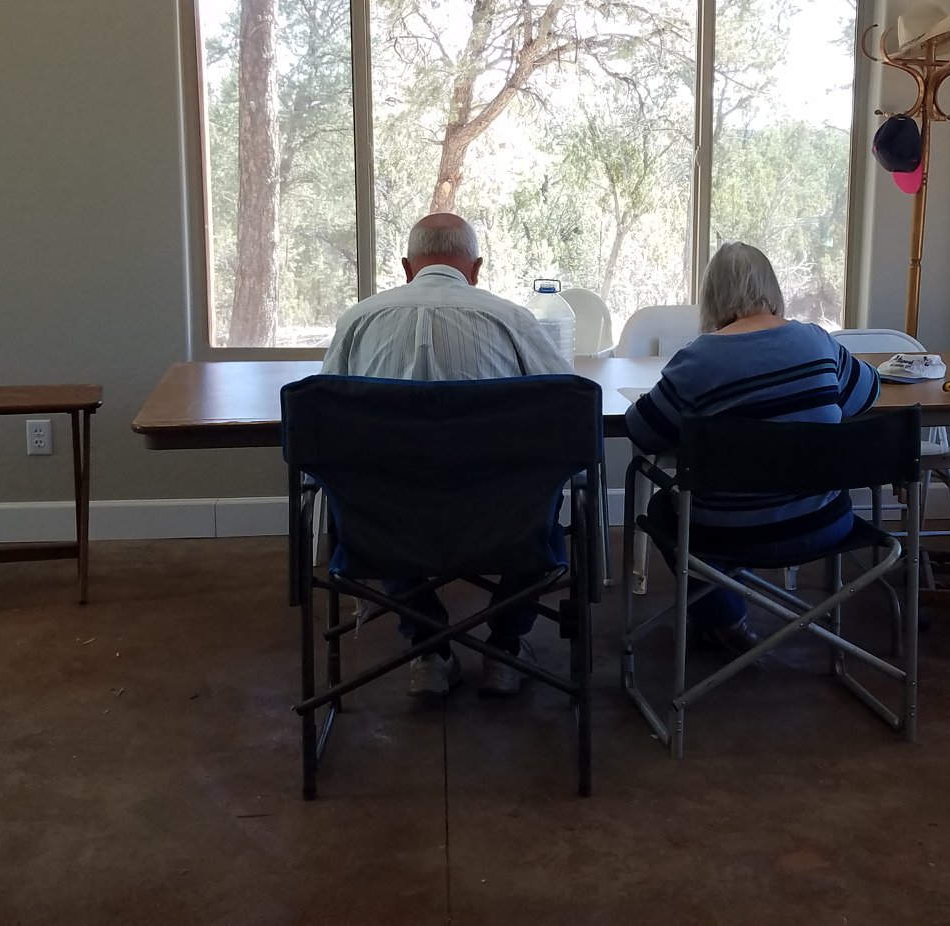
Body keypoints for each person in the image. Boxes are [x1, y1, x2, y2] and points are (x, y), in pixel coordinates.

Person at [324, 213, 572, 698]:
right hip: (503, 521)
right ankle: (505, 647)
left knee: (370, 488)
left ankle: (428, 648)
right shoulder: (510, 318)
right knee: (546, 491)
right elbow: (568, 399)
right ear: (475, 268)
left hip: (386, 526)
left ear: (405, 267)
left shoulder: (358, 319)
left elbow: (329, 415)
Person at [625, 241, 881, 649]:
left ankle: (726, 618)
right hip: (826, 525)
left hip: (727, 533)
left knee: (661, 509)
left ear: (711, 298)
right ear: (773, 289)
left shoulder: (697, 360)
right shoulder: (817, 342)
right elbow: (867, 393)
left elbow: (642, 430)